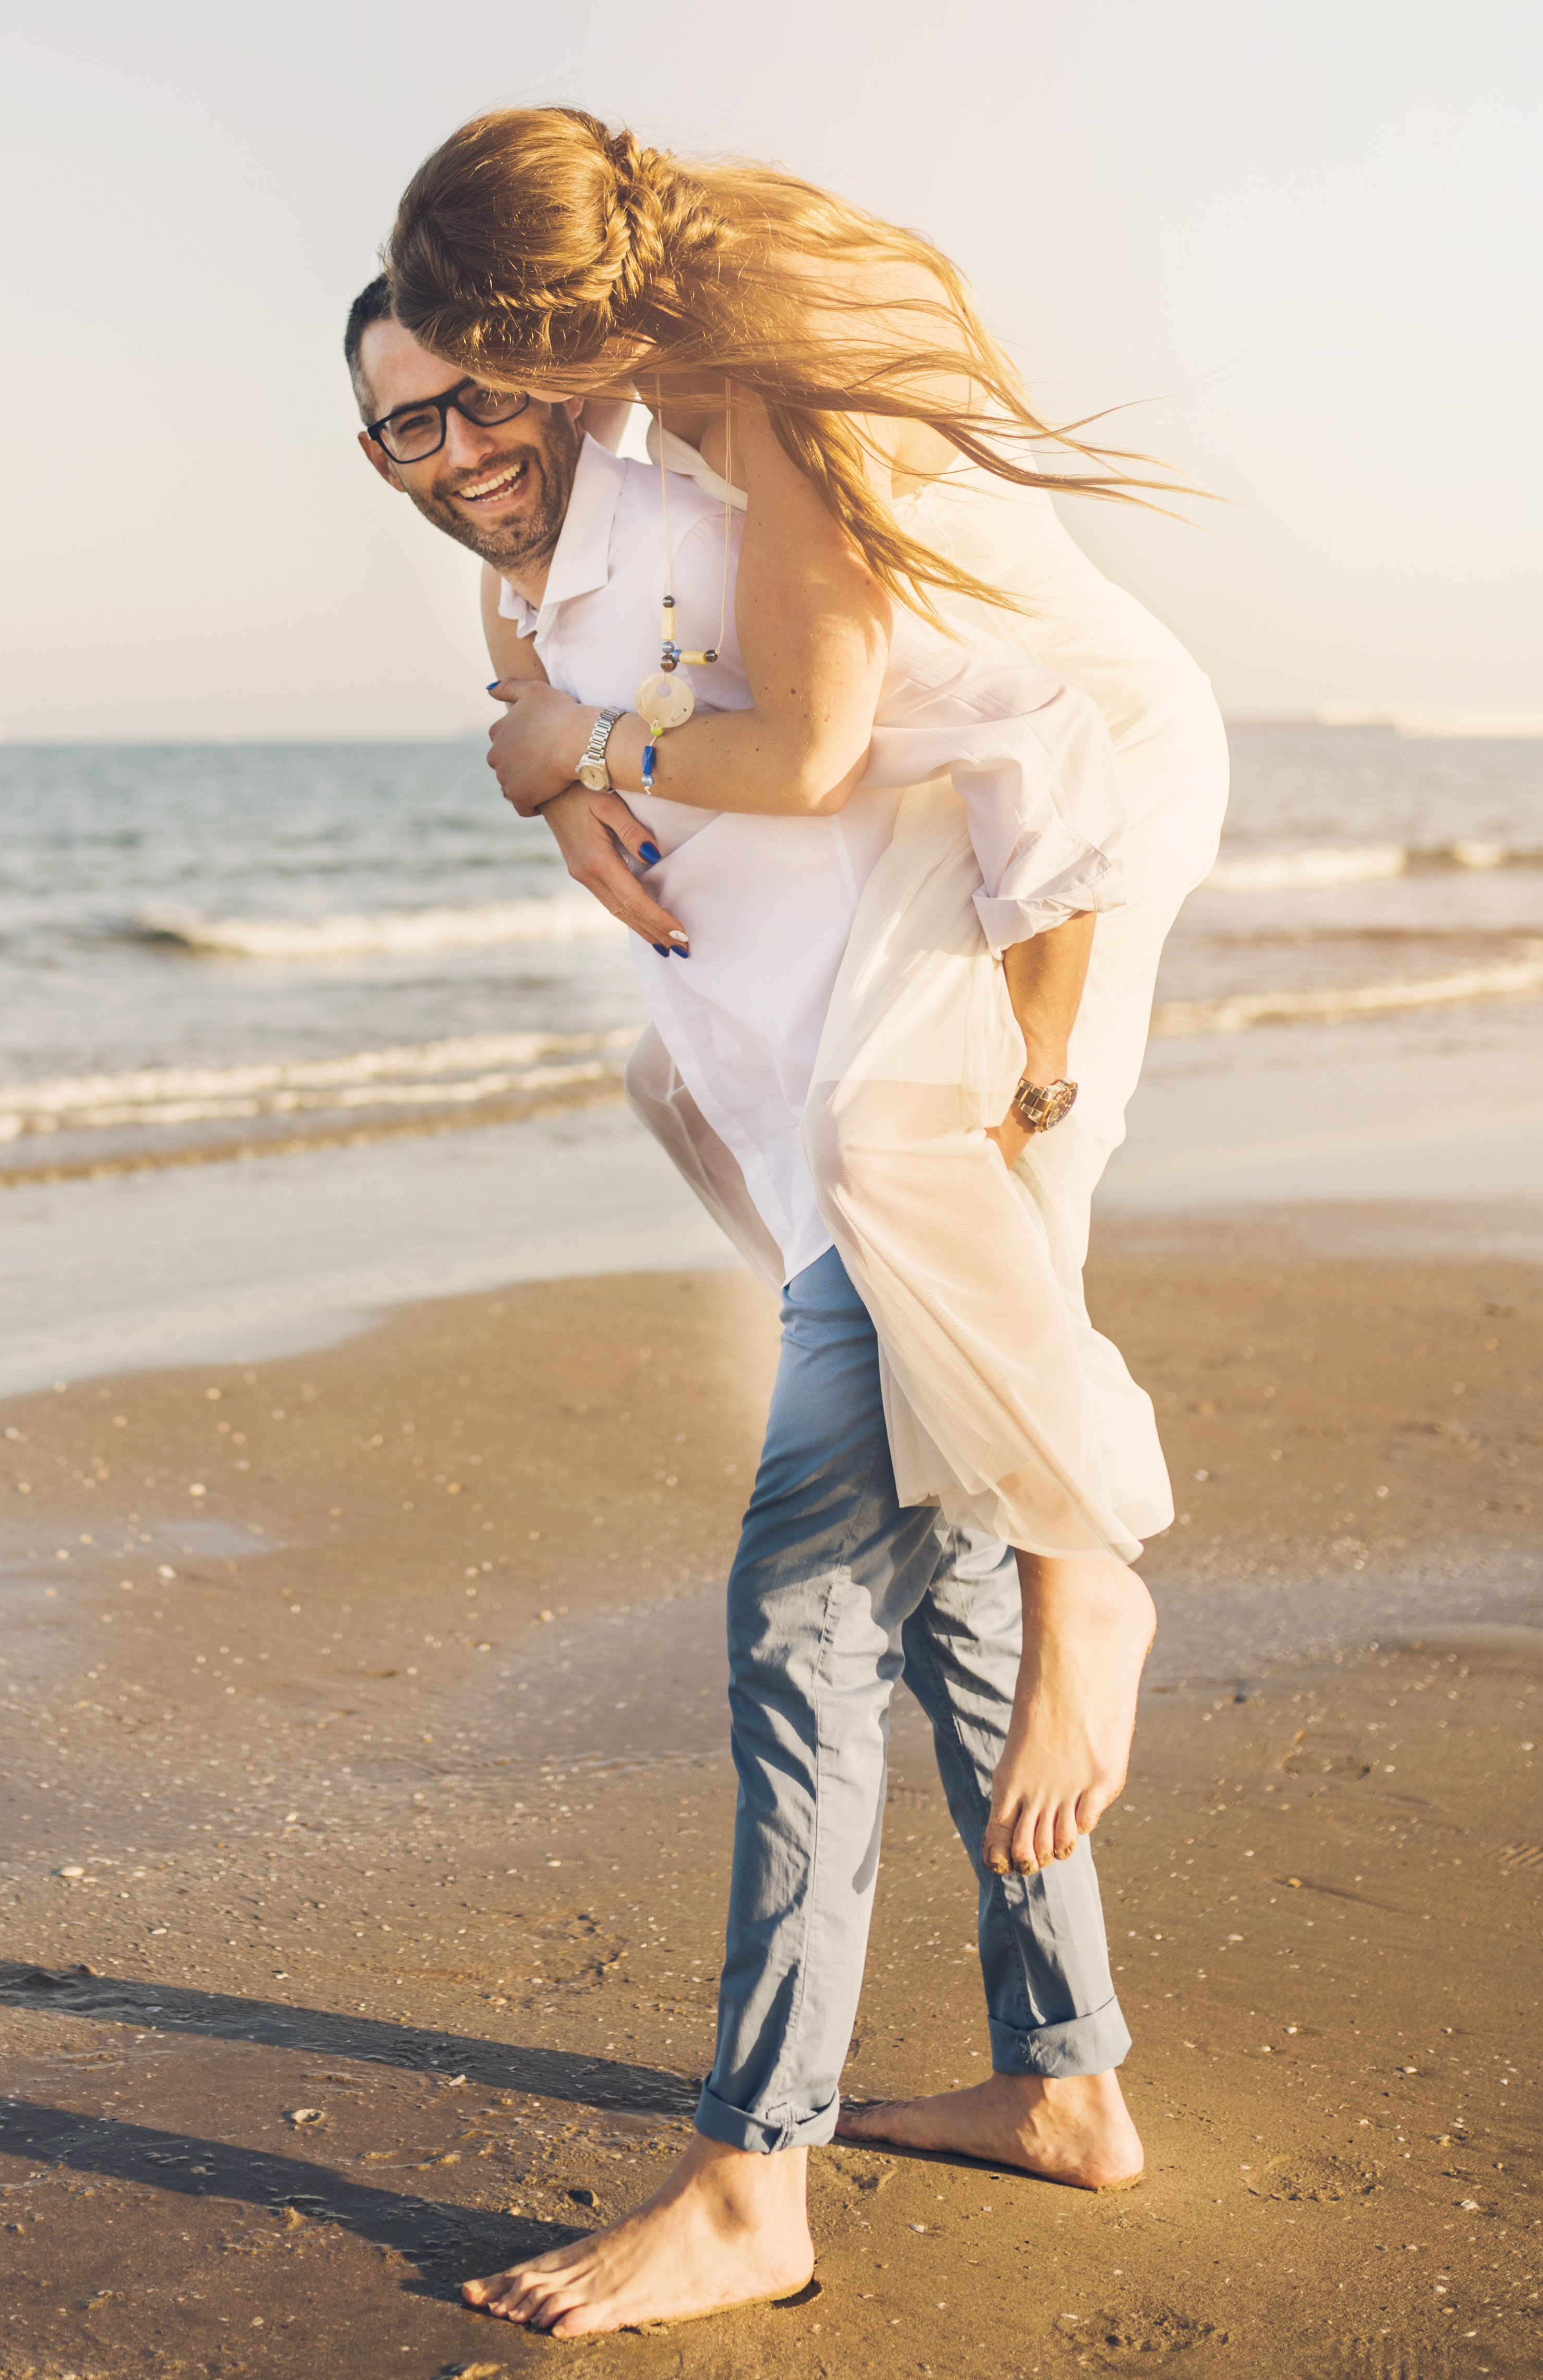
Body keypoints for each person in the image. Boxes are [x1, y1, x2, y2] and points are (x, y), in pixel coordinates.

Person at [342, 105, 1228, 2341]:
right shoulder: (569, 529)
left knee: (803, 1614)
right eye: (395, 430)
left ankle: (754, 2182)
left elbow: (823, 746)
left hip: (1019, 900)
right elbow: (587, 731)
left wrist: (582, 752)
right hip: (816, 1073)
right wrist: (554, 780)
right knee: (920, 1605)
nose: (443, 449)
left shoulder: (741, 457)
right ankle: (1070, 2080)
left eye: (469, 393)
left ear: (555, 354)